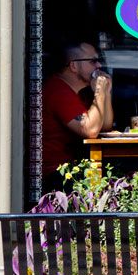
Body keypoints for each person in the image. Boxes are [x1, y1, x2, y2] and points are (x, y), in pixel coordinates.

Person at [42, 41, 114, 192]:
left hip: (70, 169)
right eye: (92, 61)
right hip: (56, 175)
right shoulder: (58, 91)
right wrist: (99, 92)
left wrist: (105, 92)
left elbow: (104, 125)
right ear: (74, 66)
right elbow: (90, 130)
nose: (99, 66)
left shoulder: (77, 93)